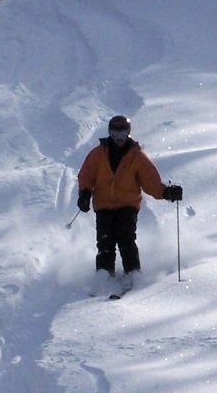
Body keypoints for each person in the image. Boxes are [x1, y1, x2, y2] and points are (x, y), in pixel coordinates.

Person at [76, 115, 182, 289]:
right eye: (115, 132)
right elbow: (86, 175)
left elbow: (150, 181)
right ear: (109, 132)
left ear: (128, 132)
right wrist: (85, 194)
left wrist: (167, 192)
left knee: (125, 237)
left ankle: (133, 273)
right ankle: (104, 275)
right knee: (105, 241)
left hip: (127, 204)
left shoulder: (137, 156)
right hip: (103, 204)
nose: (119, 137)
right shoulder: (98, 153)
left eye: (122, 132)